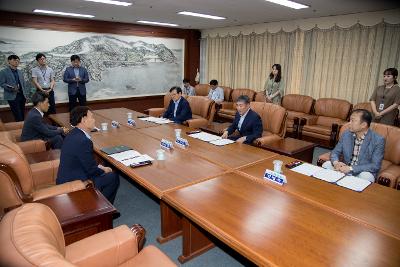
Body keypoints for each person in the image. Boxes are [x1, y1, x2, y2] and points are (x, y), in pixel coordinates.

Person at [56, 106, 119, 204]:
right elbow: (91, 170)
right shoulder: (83, 141)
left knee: (104, 169)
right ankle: (103, 210)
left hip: (66, 177)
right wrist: (104, 169)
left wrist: (100, 166)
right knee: (112, 177)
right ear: (84, 120)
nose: (94, 120)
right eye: (92, 117)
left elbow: (85, 161)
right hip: (75, 183)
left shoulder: (73, 134)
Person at [322, 109, 385, 183]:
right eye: (349, 120)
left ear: (363, 125)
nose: (349, 123)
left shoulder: (378, 140)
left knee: (366, 177)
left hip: (361, 172)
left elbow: (375, 166)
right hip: (344, 169)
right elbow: (335, 152)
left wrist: (351, 168)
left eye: (353, 120)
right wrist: (336, 163)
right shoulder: (346, 134)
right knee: (326, 165)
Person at [0, 55, 28, 121]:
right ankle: (20, 129)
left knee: (22, 114)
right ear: (9, 61)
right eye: (14, 60)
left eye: (18, 61)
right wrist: (11, 88)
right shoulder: (3, 72)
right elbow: (2, 83)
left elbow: (23, 84)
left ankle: (22, 129)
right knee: (18, 115)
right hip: (12, 96)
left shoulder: (20, 72)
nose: (16, 62)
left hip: (21, 96)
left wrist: (25, 95)